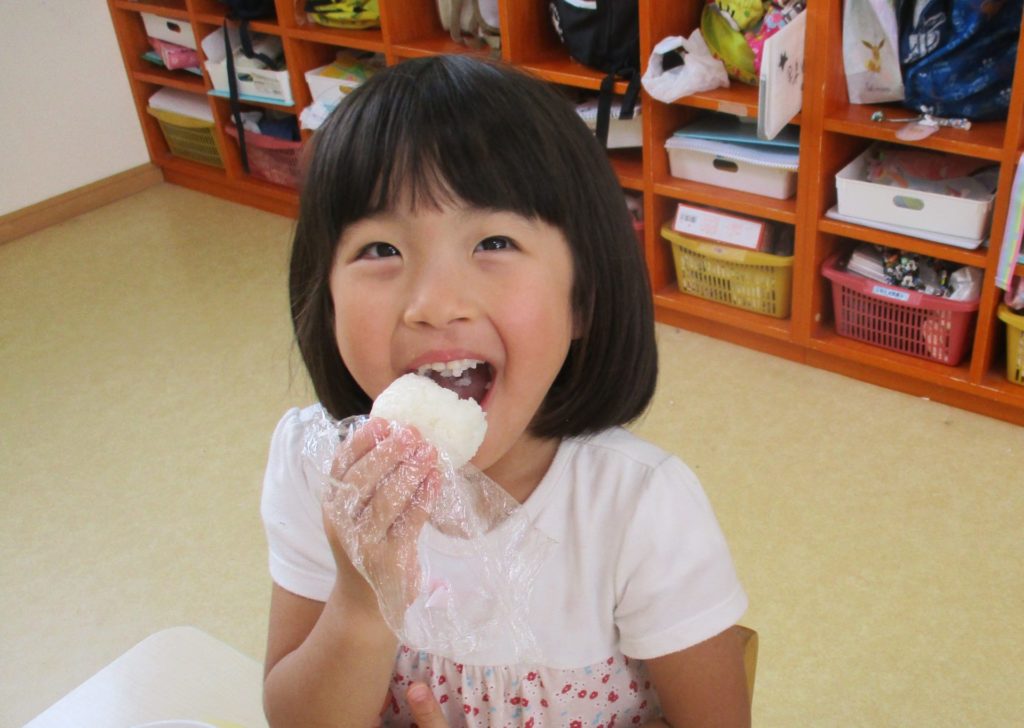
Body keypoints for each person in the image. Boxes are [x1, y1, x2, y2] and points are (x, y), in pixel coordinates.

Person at [261, 54, 750, 727]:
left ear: (583, 299)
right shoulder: (320, 470)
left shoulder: (636, 508)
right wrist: (363, 599)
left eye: (492, 241)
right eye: (380, 250)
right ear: (325, 303)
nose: (434, 304)